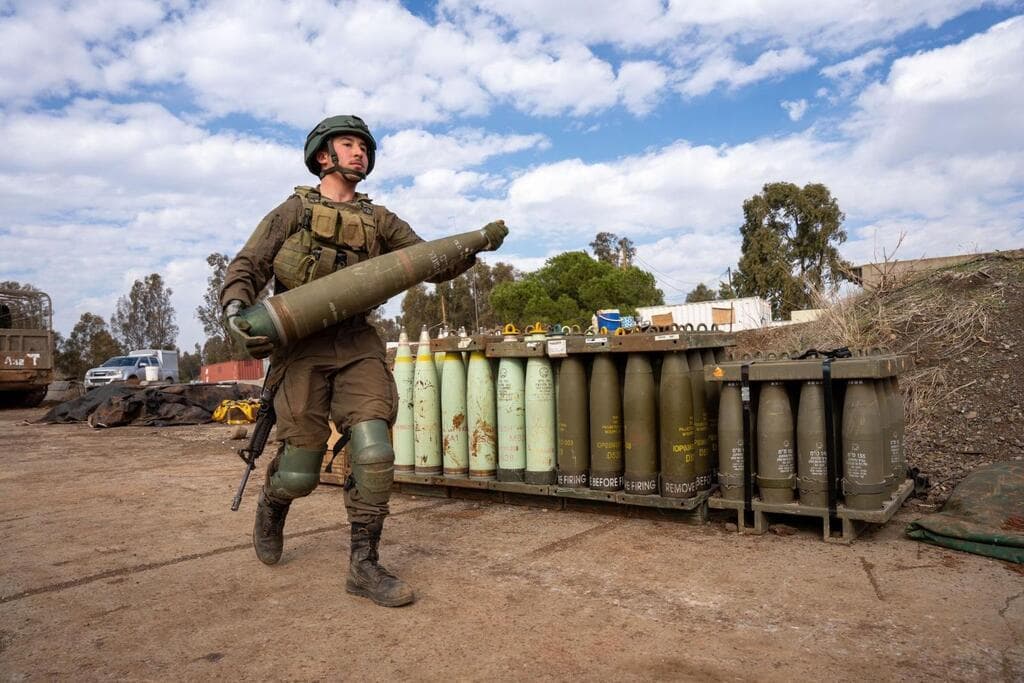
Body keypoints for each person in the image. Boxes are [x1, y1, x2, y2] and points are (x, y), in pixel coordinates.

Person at [220, 115, 477, 607]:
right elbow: (248, 264)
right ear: (324, 155)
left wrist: (471, 248)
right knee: (299, 471)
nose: (359, 152)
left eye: (364, 146)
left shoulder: (380, 220)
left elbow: (427, 260)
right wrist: (235, 308)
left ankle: (364, 566)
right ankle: (273, 503)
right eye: (348, 144)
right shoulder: (292, 210)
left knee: (375, 451)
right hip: (299, 347)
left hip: (357, 342)